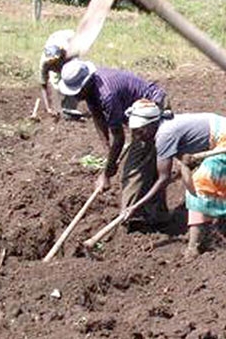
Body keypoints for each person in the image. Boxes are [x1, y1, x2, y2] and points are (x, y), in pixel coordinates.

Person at [120, 100, 226, 258]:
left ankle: (192, 247)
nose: (137, 136)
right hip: (223, 131)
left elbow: (163, 178)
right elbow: (182, 160)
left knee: (197, 185)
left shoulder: (164, 135)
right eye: (134, 131)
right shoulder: (162, 128)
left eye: (140, 131)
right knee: (216, 179)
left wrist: (135, 206)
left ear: (152, 124)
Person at [58, 60, 170, 230]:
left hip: (152, 110)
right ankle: (158, 215)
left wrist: (106, 174)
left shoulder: (106, 94)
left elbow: (119, 138)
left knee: (133, 169)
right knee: (147, 163)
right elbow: (98, 117)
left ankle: (131, 221)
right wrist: (108, 154)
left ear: (86, 83)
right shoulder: (91, 90)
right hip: (137, 113)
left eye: (76, 91)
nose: (74, 96)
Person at [38, 29, 81, 117]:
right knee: (56, 85)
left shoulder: (70, 53)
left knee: (71, 79)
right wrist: (48, 107)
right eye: (52, 64)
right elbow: (43, 85)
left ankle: (70, 107)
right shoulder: (44, 63)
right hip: (55, 38)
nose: (54, 65)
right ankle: (59, 106)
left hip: (72, 39)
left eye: (56, 62)